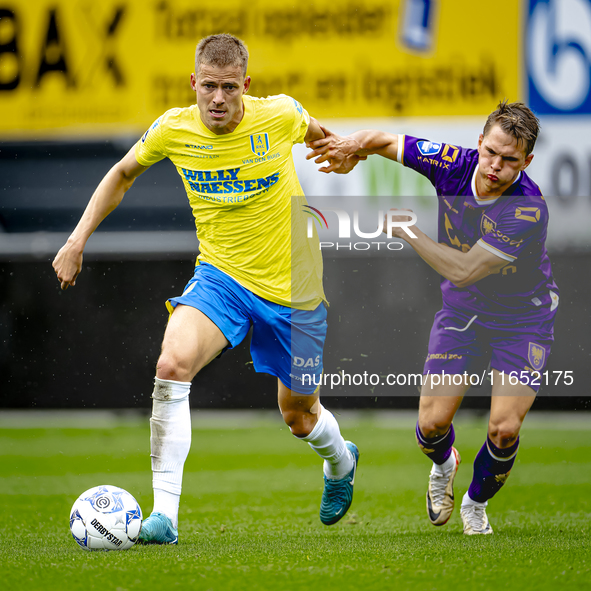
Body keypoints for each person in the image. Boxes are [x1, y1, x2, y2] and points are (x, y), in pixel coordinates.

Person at [52, 33, 362, 544]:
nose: (218, 99)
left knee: (300, 416)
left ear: (246, 86)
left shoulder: (279, 114)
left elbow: (321, 136)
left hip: (294, 288)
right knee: (171, 365)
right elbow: (122, 173)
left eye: (229, 88)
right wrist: (76, 240)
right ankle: (164, 518)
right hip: (221, 279)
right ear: (193, 83)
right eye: (209, 87)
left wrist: (343, 154)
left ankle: (341, 460)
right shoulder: (173, 129)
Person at [306, 100, 558, 535]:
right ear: (479, 142)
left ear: (527, 161)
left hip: (523, 320)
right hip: (465, 312)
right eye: (491, 152)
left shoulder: (528, 209)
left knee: (502, 428)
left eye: (509, 160)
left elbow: (463, 269)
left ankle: (475, 503)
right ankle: (446, 462)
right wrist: (349, 146)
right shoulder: (452, 163)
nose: (495, 166)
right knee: (430, 425)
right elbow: (382, 140)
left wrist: (408, 231)